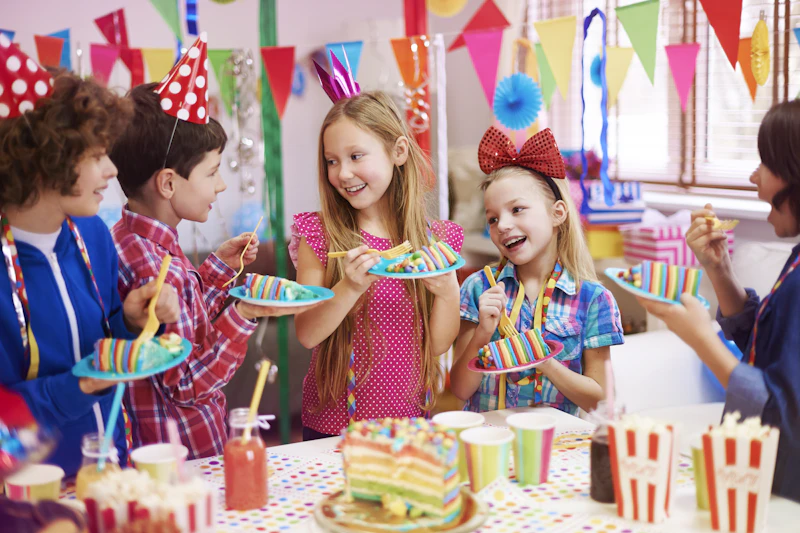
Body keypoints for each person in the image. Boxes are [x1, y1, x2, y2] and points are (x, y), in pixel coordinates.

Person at [0, 41, 179, 476]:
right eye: (97, 156)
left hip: (109, 470)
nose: (112, 171)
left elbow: (98, 344)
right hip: (29, 493)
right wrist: (82, 384)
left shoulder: (94, 234)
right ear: (46, 162)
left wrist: (131, 322)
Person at [639, 100, 800, 502]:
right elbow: (767, 354)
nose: (753, 177)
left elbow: (782, 412)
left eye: (765, 164)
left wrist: (701, 340)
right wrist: (720, 271)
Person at [290, 90, 463, 439]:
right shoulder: (319, 235)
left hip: (408, 423)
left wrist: (447, 292)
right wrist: (349, 287)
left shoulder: (436, 241)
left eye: (356, 156)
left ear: (398, 152)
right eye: (332, 161)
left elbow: (439, 344)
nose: (343, 173)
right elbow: (307, 333)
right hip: (333, 428)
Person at [451, 127, 623, 415]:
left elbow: (601, 401)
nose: (502, 225)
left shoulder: (593, 299)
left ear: (557, 213)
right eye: (492, 218)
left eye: (517, 209)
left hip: (558, 448)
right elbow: (459, 389)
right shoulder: (478, 287)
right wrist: (483, 332)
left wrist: (542, 360)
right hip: (491, 443)